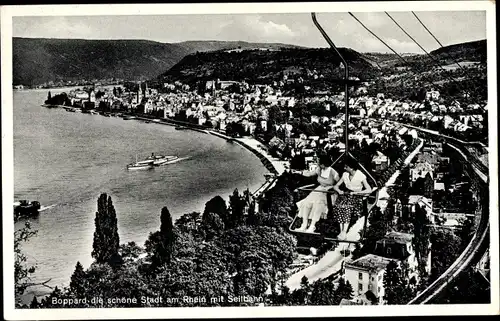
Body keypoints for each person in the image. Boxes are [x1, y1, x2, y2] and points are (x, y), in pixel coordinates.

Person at [292, 154, 340, 233]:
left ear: (323, 164)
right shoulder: (319, 170)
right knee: (306, 202)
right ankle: (304, 225)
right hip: (320, 189)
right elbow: (309, 174)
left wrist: (332, 187)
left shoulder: (333, 172)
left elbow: (339, 184)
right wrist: (298, 172)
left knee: (318, 204)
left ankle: (312, 226)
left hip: (329, 193)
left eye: (319, 162)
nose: (317, 163)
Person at [333, 157, 373, 240]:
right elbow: (336, 186)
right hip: (347, 196)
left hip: (357, 197)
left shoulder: (360, 175)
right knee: (339, 205)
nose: (344, 168)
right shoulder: (345, 174)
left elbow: (369, 189)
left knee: (346, 207)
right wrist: (339, 190)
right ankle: (342, 232)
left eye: (346, 167)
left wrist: (356, 193)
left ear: (351, 168)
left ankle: (344, 231)